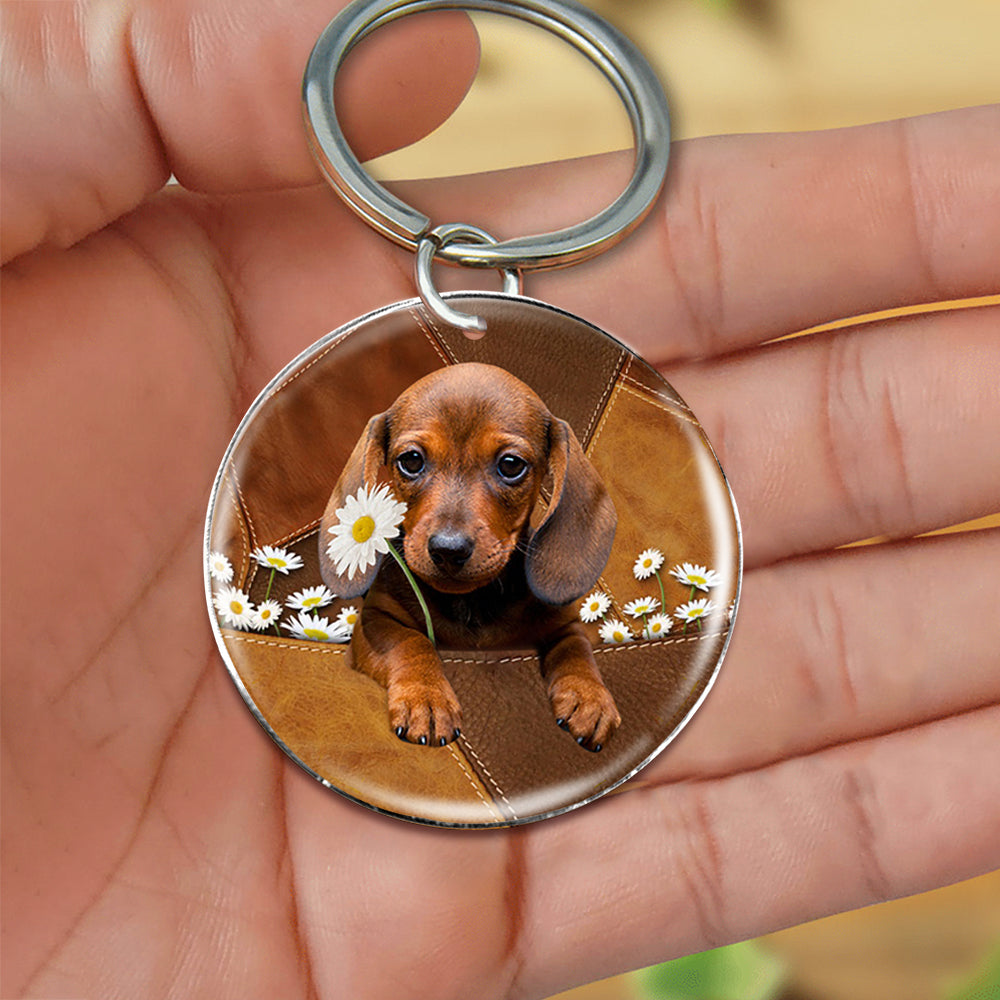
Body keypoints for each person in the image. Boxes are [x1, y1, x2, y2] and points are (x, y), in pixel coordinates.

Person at [3, 3, 998, 998]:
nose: (448, 521)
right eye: (417, 468)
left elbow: (560, 623)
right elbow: (377, 626)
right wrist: (413, 673)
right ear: (380, 464)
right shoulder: (398, 565)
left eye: (506, 471)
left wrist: (577, 674)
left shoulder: (553, 555)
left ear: (555, 482)